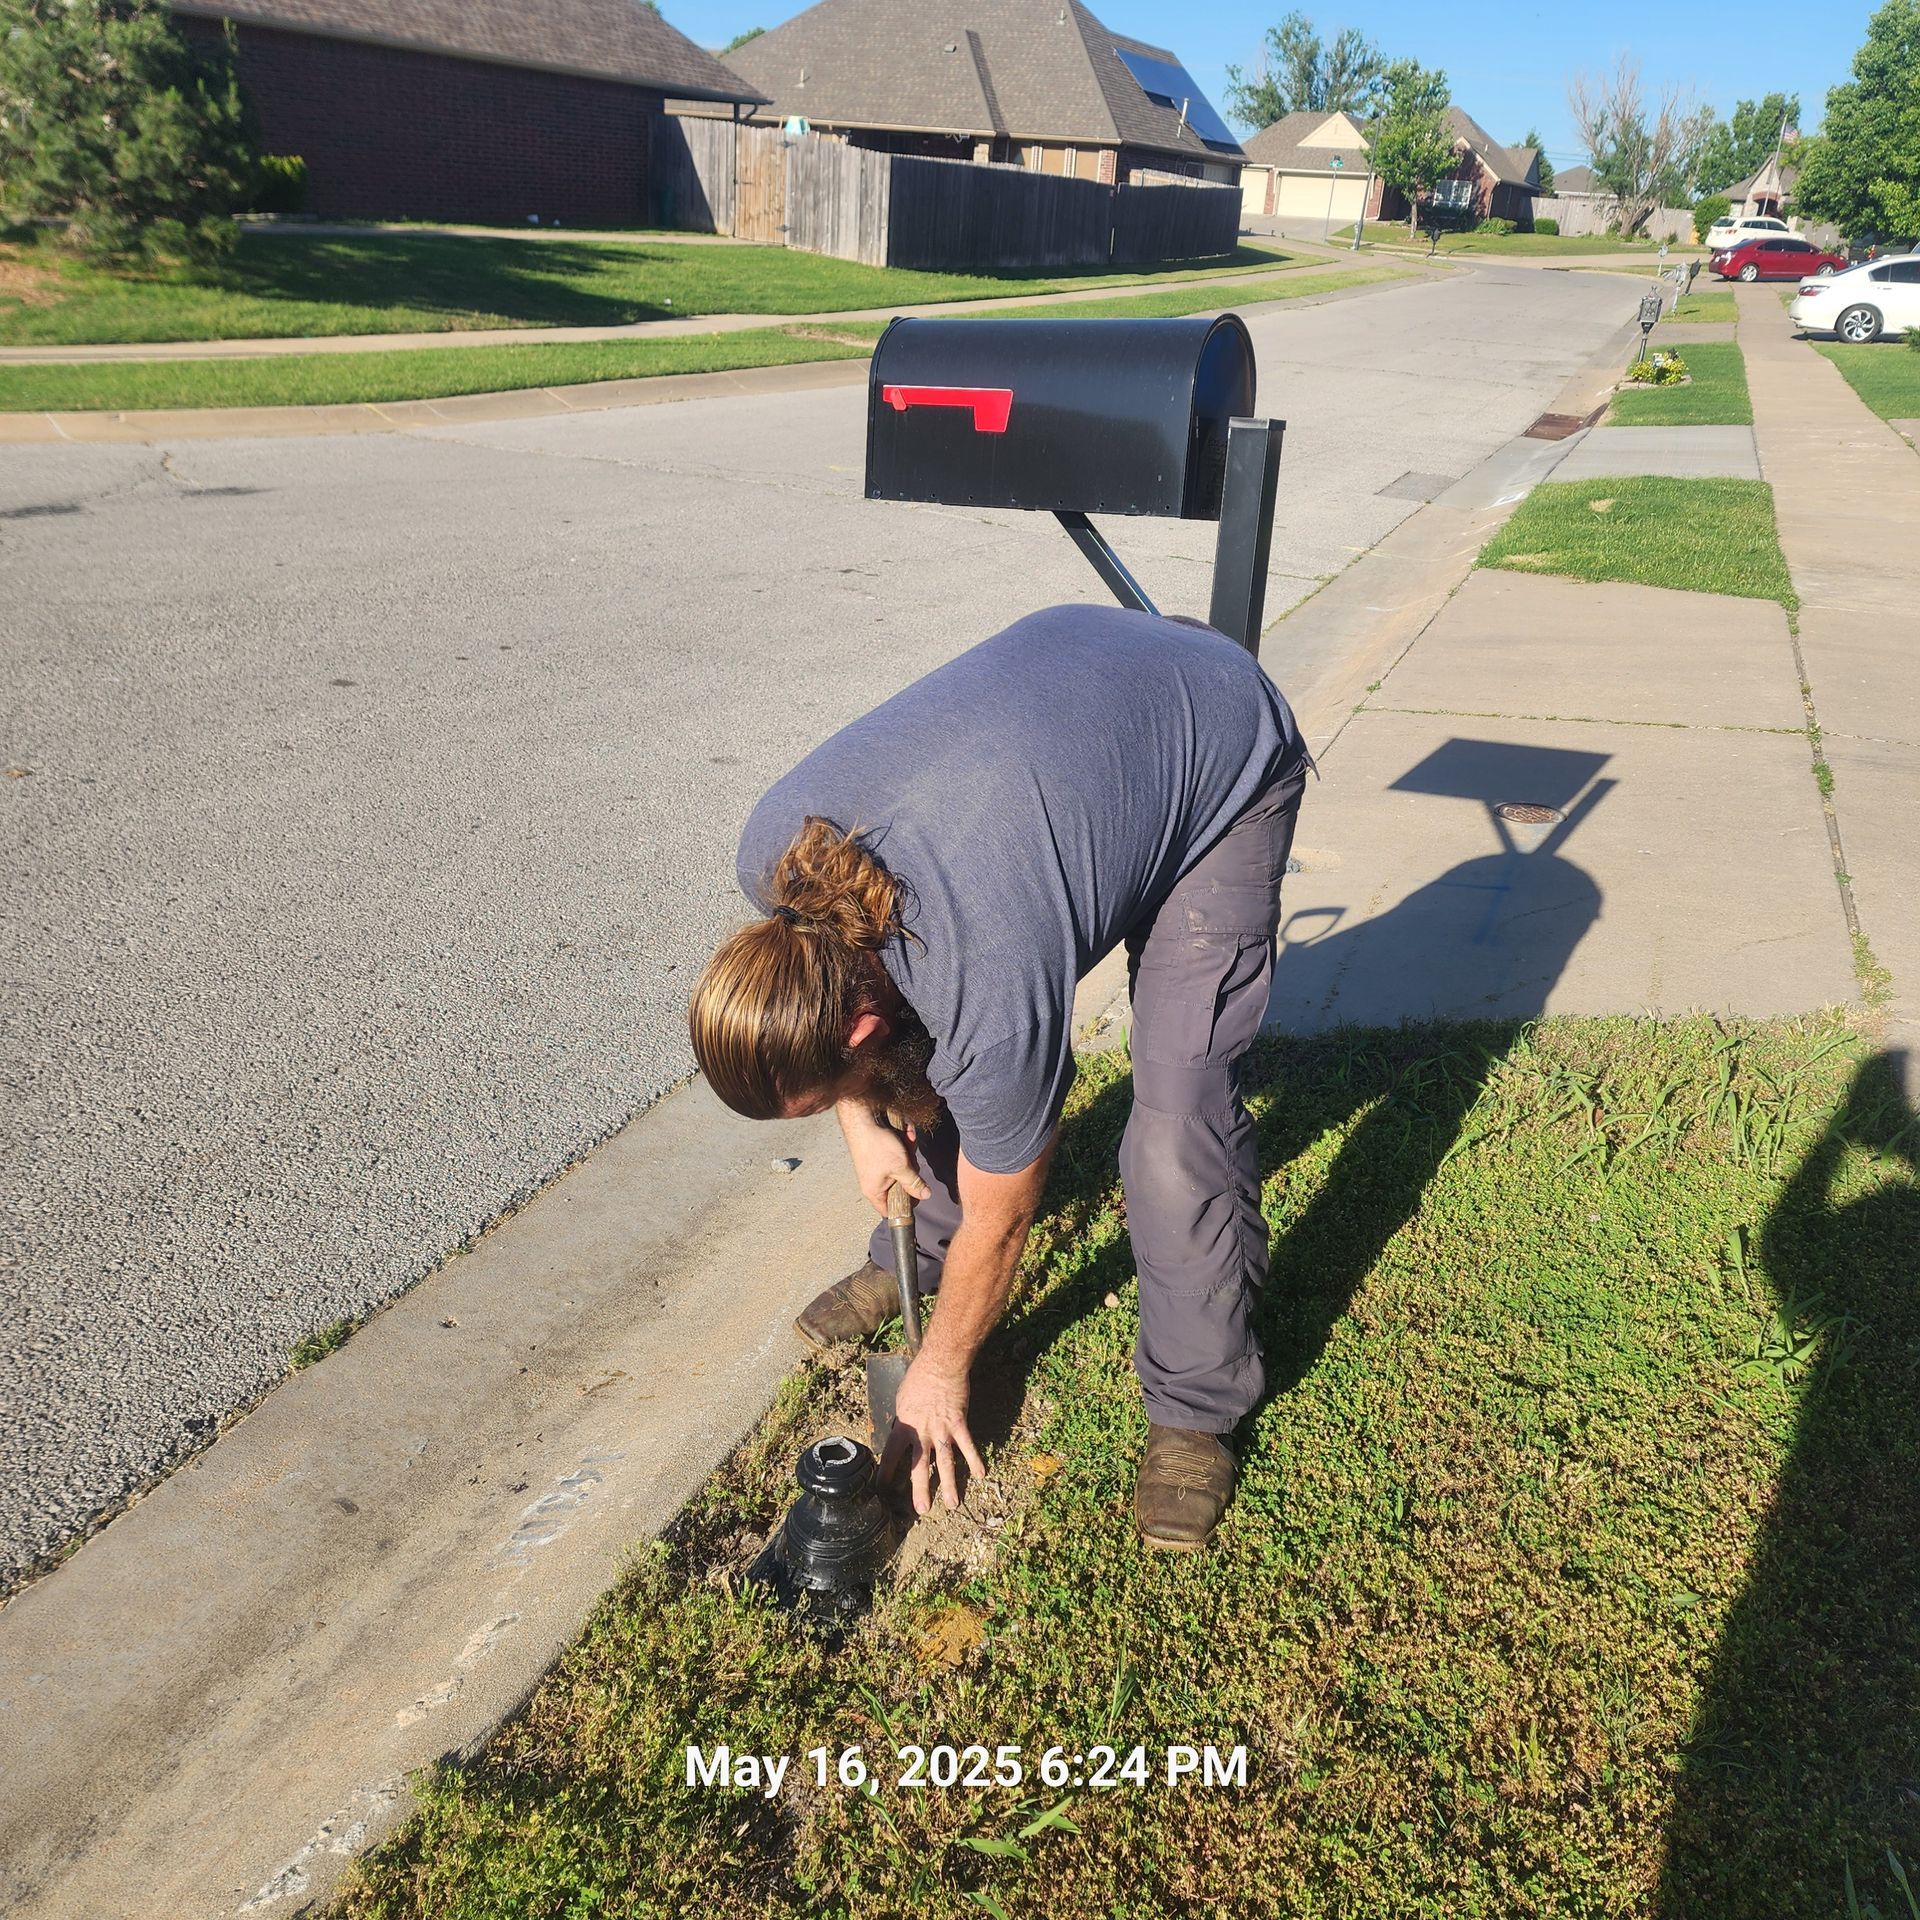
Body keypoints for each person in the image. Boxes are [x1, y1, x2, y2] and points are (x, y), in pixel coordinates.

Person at [688, 603, 1308, 1550]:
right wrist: (861, 1122)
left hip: (1215, 748)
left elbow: (1007, 1208)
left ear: (847, 1020)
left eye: (828, 1093)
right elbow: (882, 1052)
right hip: (1079, 704)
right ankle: (919, 1256)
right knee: (928, 1051)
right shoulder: (770, 862)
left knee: (1179, 1108)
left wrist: (941, 1371)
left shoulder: (987, 973)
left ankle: (1196, 1404)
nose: (840, 1108)